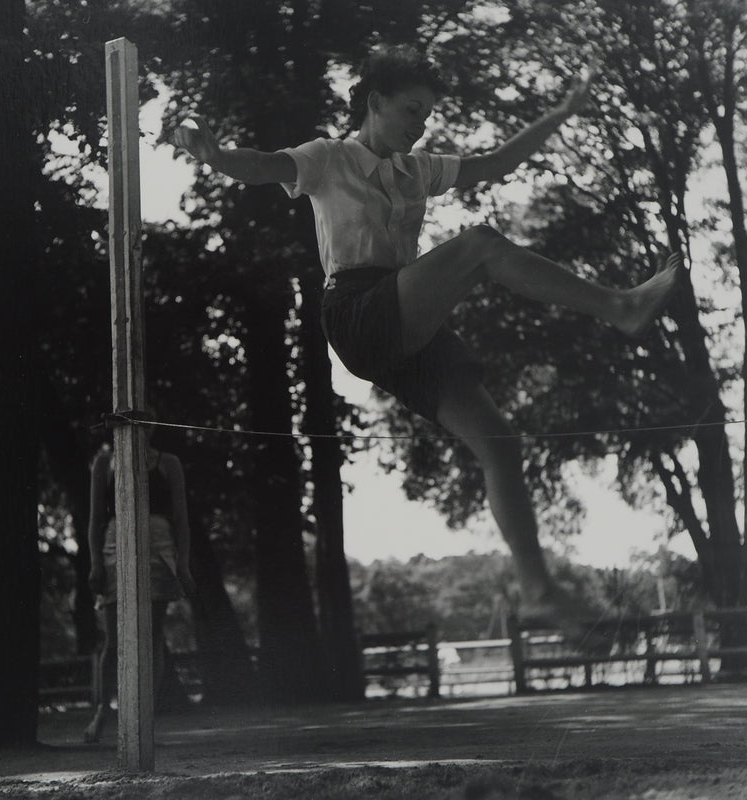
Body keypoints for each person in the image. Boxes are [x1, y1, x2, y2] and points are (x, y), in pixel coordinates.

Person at [172, 46, 681, 641]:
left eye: (429, 115)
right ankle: (620, 307)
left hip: (408, 319)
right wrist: (213, 154)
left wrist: (564, 111)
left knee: (500, 442)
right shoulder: (329, 158)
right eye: (412, 110)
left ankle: (537, 591)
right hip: (359, 313)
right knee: (481, 246)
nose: (421, 124)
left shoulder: (418, 171)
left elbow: (496, 163)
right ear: (375, 103)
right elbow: (262, 165)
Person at [83, 417, 195, 743]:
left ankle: (145, 716)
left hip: (158, 548)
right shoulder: (105, 463)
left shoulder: (168, 463)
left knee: (151, 636)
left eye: (146, 422)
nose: (139, 429)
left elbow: (182, 519)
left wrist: (184, 564)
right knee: (114, 638)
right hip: (115, 546)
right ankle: (104, 710)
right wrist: (94, 563)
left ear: (154, 426)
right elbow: (94, 520)